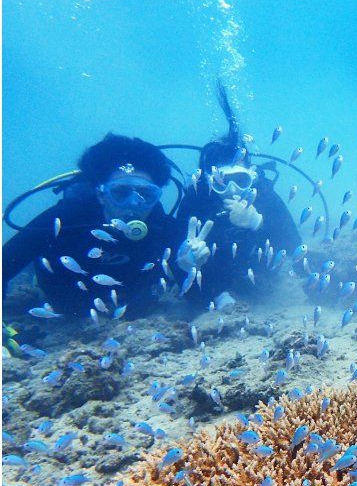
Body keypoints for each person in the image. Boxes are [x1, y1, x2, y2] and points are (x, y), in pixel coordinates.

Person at [2, 134, 185, 318]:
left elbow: (198, 292)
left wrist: (192, 263)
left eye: (146, 194)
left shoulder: (164, 229)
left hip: (137, 318)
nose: (134, 203)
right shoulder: (65, 221)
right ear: (100, 194)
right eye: (120, 192)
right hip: (62, 317)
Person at [175, 83, 302, 302]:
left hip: (263, 286)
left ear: (252, 177)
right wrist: (185, 263)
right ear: (207, 181)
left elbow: (295, 247)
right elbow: (174, 270)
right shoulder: (195, 202)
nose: (232, 190)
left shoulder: (263, 194)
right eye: (221, 182)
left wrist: (259, 223)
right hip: (213, 290)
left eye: (241, 180)